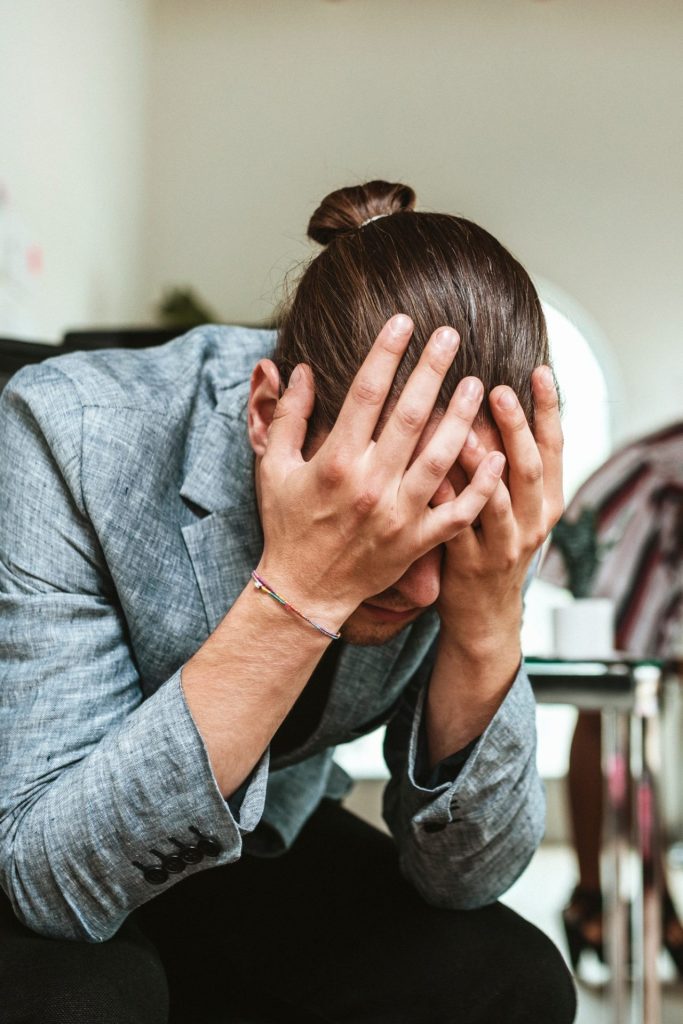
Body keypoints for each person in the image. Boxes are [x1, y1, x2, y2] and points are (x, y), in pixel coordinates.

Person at [0, 181, 575, 1023]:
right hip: (42, 831)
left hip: (255, 836)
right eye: (387, 524)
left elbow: (467, 879)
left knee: (510, 981)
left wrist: (487, 620)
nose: (423, 587)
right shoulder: (69, 431)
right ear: (270, 413)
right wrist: (304, 590)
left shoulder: (486, 499)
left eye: (446, 537)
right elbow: (49, 886)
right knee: (84, 1001)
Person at [541, 422, 683, 977]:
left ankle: (650, 897)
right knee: (610, 700)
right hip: (641, 507)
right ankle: (596, 899)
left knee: (643, 710)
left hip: (665, 516)